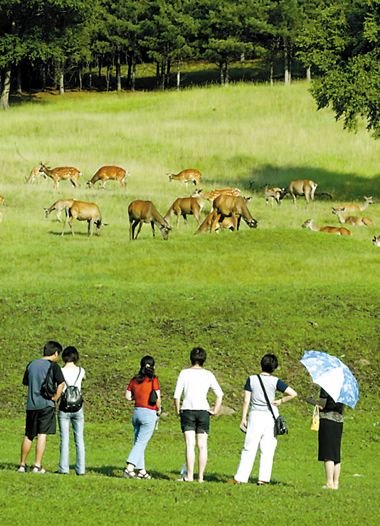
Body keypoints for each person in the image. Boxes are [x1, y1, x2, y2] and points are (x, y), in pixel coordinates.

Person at [233, 353, 297, 485]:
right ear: (274, 367)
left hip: (255, 416)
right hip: (270, 417)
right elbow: (293, 393)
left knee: (249, 447)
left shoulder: (251, 379)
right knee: (268, 449)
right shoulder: (276, 381)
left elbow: (246, 400)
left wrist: (243, 418)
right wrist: (281, 401)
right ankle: (263, 479)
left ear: (261, 364)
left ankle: (240, 477)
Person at [174, 346, 224, 483]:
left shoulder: (184, 373)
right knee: (202, 445)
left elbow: (177, 395)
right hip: (203, 411)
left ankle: (190, 476)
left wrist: (178, 410)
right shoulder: (208, 374)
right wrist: (215, 410)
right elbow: (219, 394)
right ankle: (201, 477)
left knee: (190, 444)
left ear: (191, 358)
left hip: (188, 410)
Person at [18, 340, 65, 473]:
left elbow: (25, 382)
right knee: (42, 434)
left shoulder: (31, 364)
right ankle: (37, 465)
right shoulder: (54, 366)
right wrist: (55, 397)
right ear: (55, 353)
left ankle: (22, 464)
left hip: (31, 405)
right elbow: (61, 384)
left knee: (28, 434)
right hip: (46, 404)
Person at [124, 355, 161, 479]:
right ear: (153, 366)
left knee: (138, 442)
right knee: (141, 442)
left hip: (137, 412)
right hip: (149, 413)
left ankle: (142, 470)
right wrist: (159, 410)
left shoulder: (134, 379)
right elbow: (158, 397)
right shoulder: (153, 379)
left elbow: (128, 396)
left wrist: (137, 397)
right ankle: (129, 467)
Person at [57, 346, 86, 475]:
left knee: (65, 439)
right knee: (79, 439)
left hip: (64, 406)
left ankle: (64, 468)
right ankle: (81, 469)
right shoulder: (81, 370)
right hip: (78, 407)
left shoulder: (60, 371)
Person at [318, 387, 344, 490]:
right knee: (336, 453)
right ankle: (336, 482)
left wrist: (314, 402)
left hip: (327, 420)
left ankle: (329, 482)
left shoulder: (326, 387)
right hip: (339, 421)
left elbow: (322, 405)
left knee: (328, 453)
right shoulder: (343, 388)